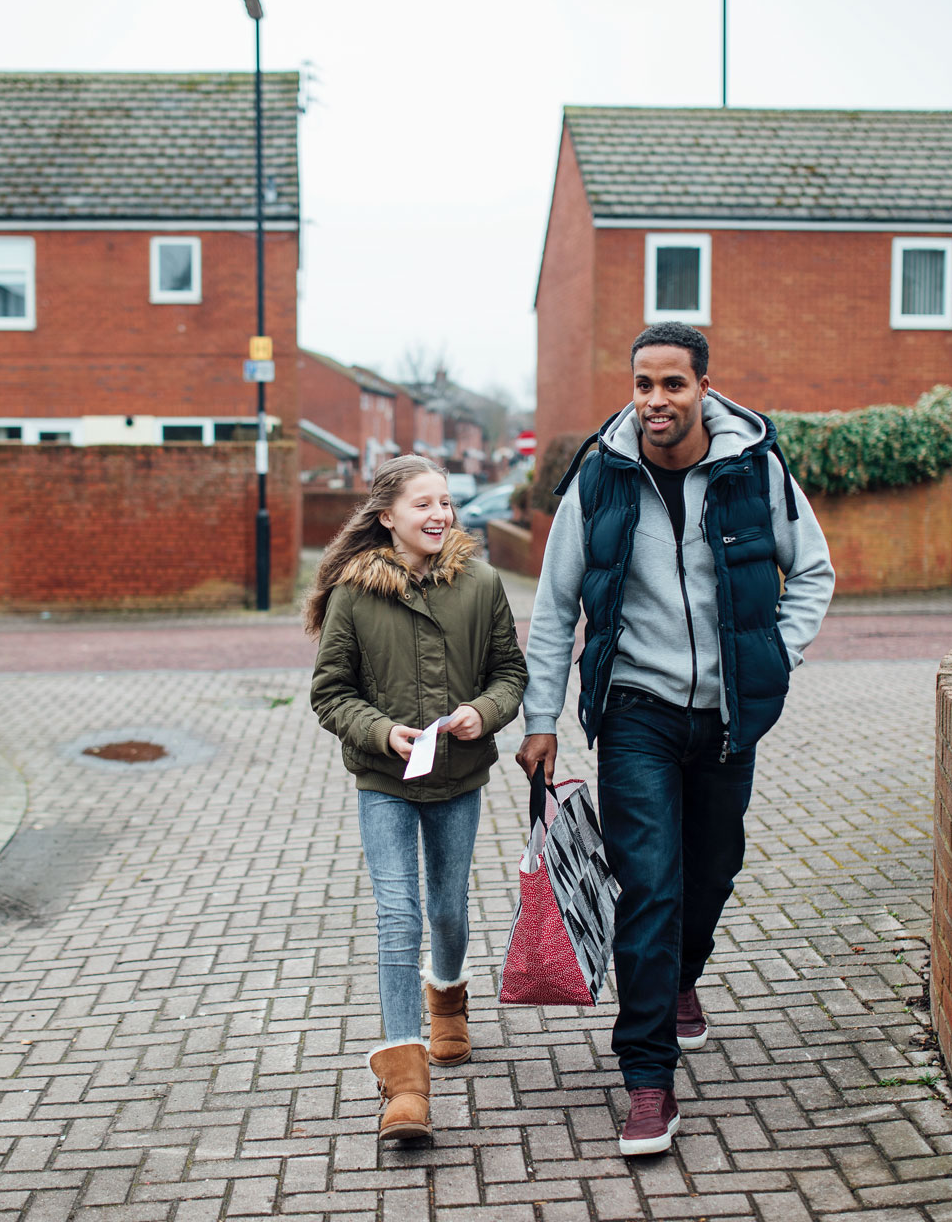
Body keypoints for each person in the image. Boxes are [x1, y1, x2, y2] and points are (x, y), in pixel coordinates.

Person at [517, 321, 835, 1157]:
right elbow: (553, 611)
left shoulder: (754, 468)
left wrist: (777, 652)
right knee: (649, 886)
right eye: (643, 386)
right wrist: (541, 720)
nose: (656, 401)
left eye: (672, 385)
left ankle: (682, 981)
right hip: (637, 712)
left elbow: (812, 571)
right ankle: (648, 1079)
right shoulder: (601, 478)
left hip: (729, 715)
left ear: (703, 387)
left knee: (712, 873)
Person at [308, 454, 529, 1144]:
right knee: (399, 917)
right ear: (387, 518)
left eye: (446, 503)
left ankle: (450, 1002)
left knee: (447, 908)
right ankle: (405, 1085)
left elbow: (510, 673)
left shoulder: (483, 583)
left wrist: (483, 714)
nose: (440, 515)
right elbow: (330, 692)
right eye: (422, 505)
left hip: (459, 777)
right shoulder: (353, 592)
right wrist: (382, 731)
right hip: (384, 781)